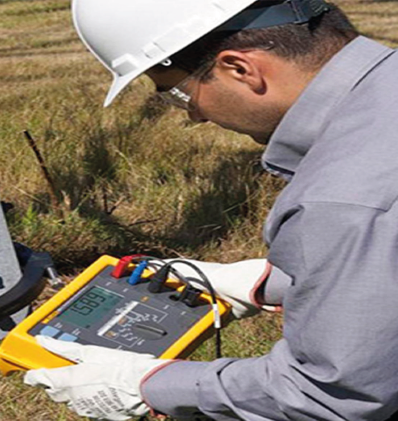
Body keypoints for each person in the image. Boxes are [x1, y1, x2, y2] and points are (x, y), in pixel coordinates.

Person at [23, 0, 398, 419]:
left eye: (178, 94)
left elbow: (330, 396)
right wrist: (276, 281)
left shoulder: (340, 204)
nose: (195, 115)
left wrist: (149, 384)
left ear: (240, 69)